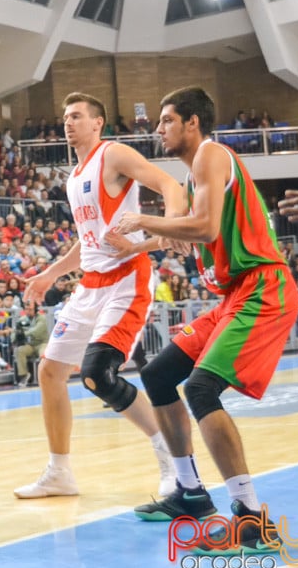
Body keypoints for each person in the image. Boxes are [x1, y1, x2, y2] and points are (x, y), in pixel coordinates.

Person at [113, 87, 298, 556]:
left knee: (199, 389)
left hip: (263, 289)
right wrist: (140, 244)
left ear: (192, 123)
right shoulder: (198, 175)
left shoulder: (211, 155)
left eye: (167, 120)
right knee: (157, 375)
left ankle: (251, 518)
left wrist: (144, 221)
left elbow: (206, 229)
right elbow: (194, 229)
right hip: (236, 294)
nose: (158, 129)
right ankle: (192, 492)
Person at [14, 92, 184, 500]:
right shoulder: (75, 177)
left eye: (76, 116)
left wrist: (173, 224)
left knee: (97, 374)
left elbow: (167, 182)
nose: (68, 122)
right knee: (50, 372)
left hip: (127, 279)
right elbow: (86, 241)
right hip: (91, 283)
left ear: (97, 124)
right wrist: (49, 275)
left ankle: (173, 462)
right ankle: (59, 472)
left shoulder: (113, 155)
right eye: (65, 116)